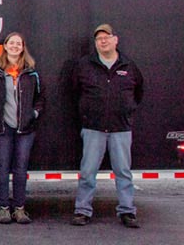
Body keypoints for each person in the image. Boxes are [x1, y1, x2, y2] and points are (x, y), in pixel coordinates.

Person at [71, 24, 144, 228]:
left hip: (121, 128)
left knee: (123, 172)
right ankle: (83, 210)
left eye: (106, 37)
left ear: (115, 40)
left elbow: (138, 92)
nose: (102, 41)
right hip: (93, 128)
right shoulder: (84, 65)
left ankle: (127, 211)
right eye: (98, 39)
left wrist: (127, 110)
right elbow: (75, 92)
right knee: (87, 172)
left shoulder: (128, 66)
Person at [0, 32, 45, 224]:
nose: (15, 46)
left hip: (25, 129)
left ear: (23, 47)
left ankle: (19, 209)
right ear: (5, 46)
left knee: (20, 169)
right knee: (1, 168)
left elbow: (41, 98)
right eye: (12, 43)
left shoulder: (31, 72)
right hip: (2, 128)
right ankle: (3, 208)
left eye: (18, 43)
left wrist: (33, 113)